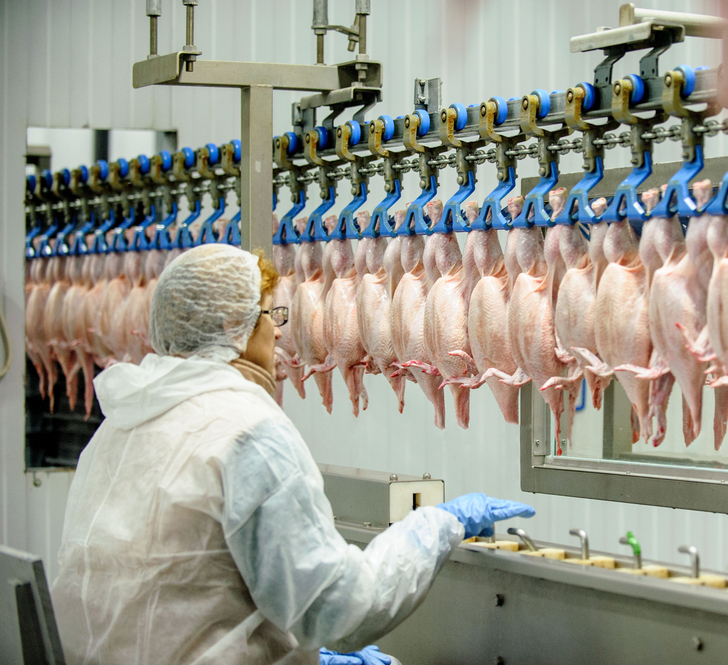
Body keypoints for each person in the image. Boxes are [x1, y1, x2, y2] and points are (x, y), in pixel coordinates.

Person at [50, 244, 535, 665]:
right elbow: (338, 610)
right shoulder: (246, 432)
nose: (279, 333)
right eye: (269, 315)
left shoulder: (119, 426)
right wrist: (435, 527)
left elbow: (177, 584)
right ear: (231, 325)